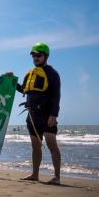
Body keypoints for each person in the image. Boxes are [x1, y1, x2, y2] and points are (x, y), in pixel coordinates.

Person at [11, 42, 61, 185]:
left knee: (52, 146)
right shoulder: (30, 74)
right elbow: (25, 90)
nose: (35, 57)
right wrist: (12, 81)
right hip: (32, 116)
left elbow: (56, 96)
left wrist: (54, 115)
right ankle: (35, 174)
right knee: (35, 146)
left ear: (45, 56)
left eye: (38, 55)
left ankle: (57, 177)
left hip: (47, 115)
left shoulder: (52, 73)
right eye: (33, 55)